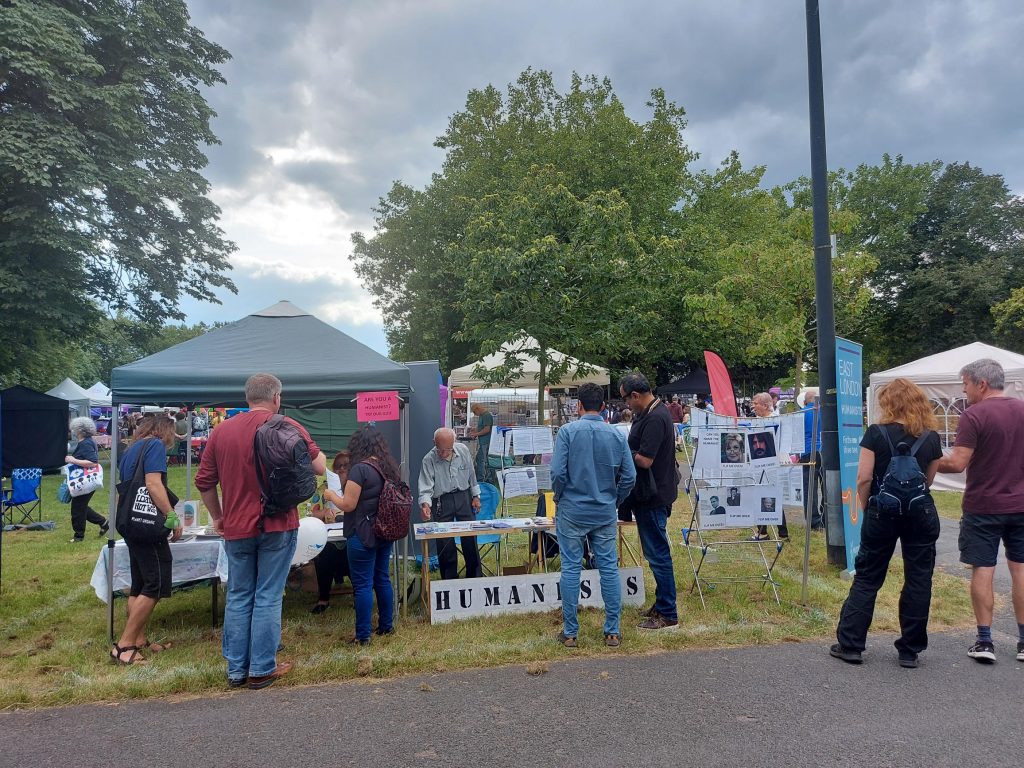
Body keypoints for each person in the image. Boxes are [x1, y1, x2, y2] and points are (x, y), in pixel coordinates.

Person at [195, 373, 326, 689]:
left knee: (239, 595)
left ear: (247, 398)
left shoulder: (222, 431)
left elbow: (204, 482)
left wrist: (218, 516)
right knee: (268, 595)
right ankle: (262, 668)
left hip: (237, 526)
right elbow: (320, 465)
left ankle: (237, 671)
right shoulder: (287, 426)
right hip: (279, 523)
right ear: (277, 398)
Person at [831, 377, 943, 668]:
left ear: (887, 403)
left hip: (883, 510)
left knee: (868, 576)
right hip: (920, 513)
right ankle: (909, 649)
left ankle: (851, 644)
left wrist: (868, 504)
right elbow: (929, 479)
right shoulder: (931, 437)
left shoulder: (876, 433)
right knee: (919, 578)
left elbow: (864, 477)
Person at [937, 359, 1024, 664]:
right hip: (1021, 505)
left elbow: (958, 462)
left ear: (981, 384)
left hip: (984, 506)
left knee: (983, 570)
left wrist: (928, 459)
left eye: (966, 384)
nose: (964, 391)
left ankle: (985, 641)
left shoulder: (974, 415)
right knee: (1021, 570)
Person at [551, 382, 635, 648]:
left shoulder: (567, 432)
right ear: (602, 407)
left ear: (578, 406)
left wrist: (559, 496)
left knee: (571, 568)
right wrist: (614, 499)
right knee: (609, 568)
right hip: (603, 510)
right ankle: (612, 630)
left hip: (572, 509)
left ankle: (570, 632)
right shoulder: (616, 435)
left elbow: (557, 473)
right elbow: (630, 477)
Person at [110, 413, 182, 665]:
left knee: (139, 583)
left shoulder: (132, 449)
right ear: (165, 431)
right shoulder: (155, 446)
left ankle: (139, 639)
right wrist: (171, 515)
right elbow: (153, 484)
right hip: (147, 525)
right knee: (155, 583)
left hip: (129, 522)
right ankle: (125, 645)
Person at [322, 426, 400, 646]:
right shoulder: (388, 467)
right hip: (384, 530)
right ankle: (386, 626)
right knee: (382, 579)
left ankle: (363, 635)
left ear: (358, 445)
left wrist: (330, 495)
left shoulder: (360, 469)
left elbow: (348, 504)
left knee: (363, 584)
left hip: (362, 533)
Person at [620, 371, 679, 630]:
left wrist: (622, 450)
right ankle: (661, 604)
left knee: (658, 554)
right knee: (654, 552)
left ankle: (668, 613)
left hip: (654, 495)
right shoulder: (652, 412)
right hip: (649, 493)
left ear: (635, 395)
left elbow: (645, 460)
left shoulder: (655, 417)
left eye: (625, 399)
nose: (625, 404)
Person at [418, 427, 482, 580]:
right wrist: (425, 505)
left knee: (470, 538)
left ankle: (475, 577)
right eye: (441, 450)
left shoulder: (463, 450)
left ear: (454, 443)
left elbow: (471, 475)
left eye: (449, 449)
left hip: (463, 497)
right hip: (442, 501)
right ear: (434, 443)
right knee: (444, 542)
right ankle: (449, 580)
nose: (445, 453)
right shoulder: (428, 459)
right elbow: (426, 487)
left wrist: (476, 496)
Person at [308, 451, 351, 614]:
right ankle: (323, 598)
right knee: (324, 554)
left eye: (345, 466)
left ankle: (357, 596)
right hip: (329, 538)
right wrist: (324, 512)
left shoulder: (356, 486)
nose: (341, 469)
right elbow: (312, 512)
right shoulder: (324, 488)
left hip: (348, 536)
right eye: (338, 466)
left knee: (354, 553)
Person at [66, 416, 108, 542]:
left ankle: (79, 536)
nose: (73, 430)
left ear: (79, 430)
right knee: (81, 506)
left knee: (77, 508)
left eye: (74, 428)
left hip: (85, 480)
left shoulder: (86, 443)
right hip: (87, 479)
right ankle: (104, 523)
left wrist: (73, 460)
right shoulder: (88, 441)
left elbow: (93, 462)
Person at [800, 388, 825, 530]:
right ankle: (825, 517)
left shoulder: (802, 413)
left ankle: (813, 521)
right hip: (823, 451)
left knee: (810, 488)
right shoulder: (826, 413)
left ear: (805, 402)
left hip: (807, 451)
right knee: (825, 486)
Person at [469, 403, 493, 483]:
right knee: (480, 459)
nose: (475, 414)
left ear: (477, 409)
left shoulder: (486, 415)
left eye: (474, 412)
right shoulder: (482, 416)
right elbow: (481, 427)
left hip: (486, 441)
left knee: (483, 461)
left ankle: (485, 479)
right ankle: (483, 478)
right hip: (483, 442)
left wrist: (476, 434)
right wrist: (475, 429)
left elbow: (487, 429)